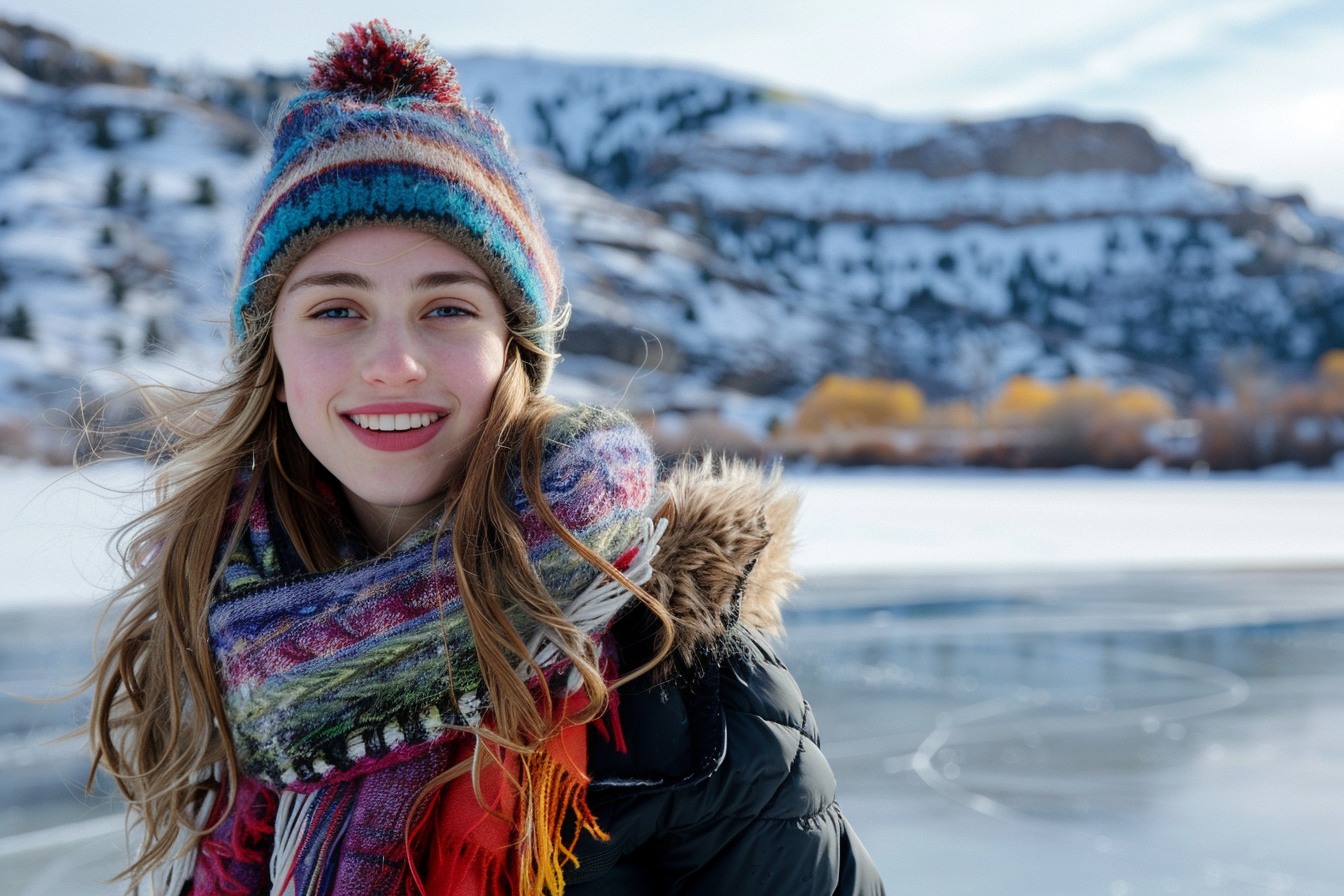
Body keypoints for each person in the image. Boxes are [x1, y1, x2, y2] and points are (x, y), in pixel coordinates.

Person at [86, 20, 884, 896]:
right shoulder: (223, 642)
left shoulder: (683, 685)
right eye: (336, 310)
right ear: (271, 364)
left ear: (517, 352)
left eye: (449, 310)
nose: (394, 362)